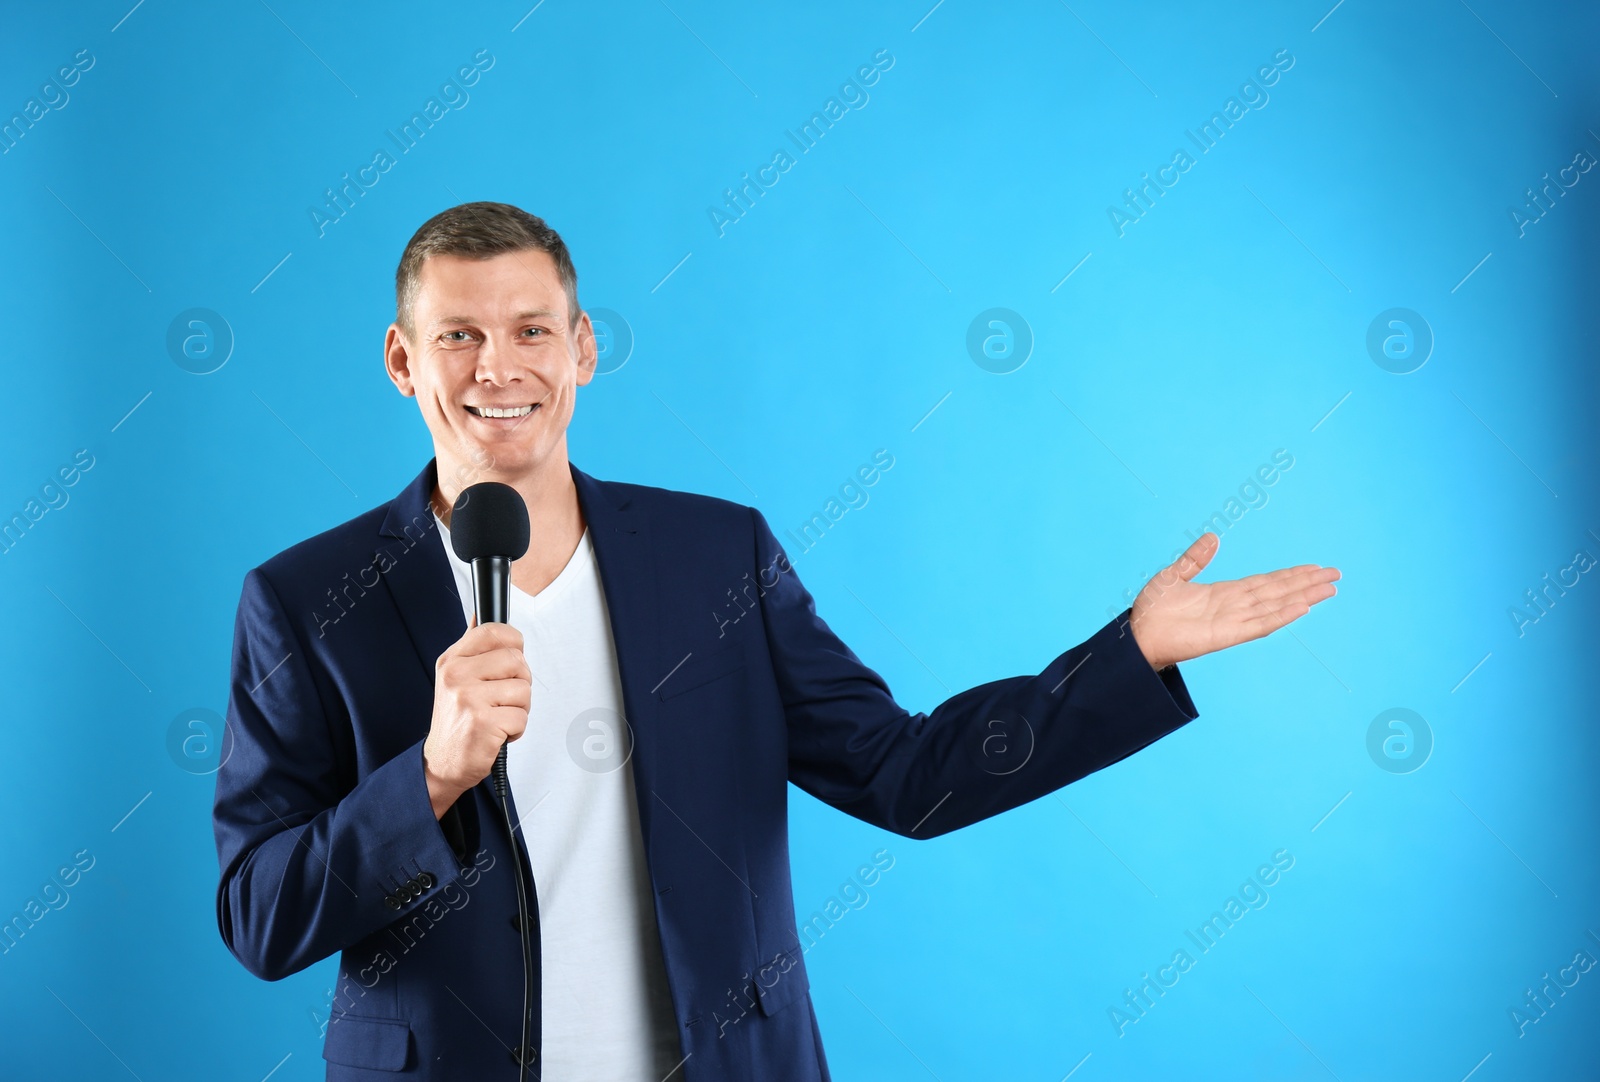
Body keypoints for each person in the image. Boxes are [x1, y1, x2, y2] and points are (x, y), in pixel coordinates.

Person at [212, 201, 1340, 1081]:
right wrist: (431, 774)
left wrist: (1129, 653)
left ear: (584, 347)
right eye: (457, 335)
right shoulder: (308, 599)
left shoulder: (716, 558)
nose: (497, 368)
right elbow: (259, 914)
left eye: (530, 330)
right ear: (404, 362)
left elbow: (908, 774)